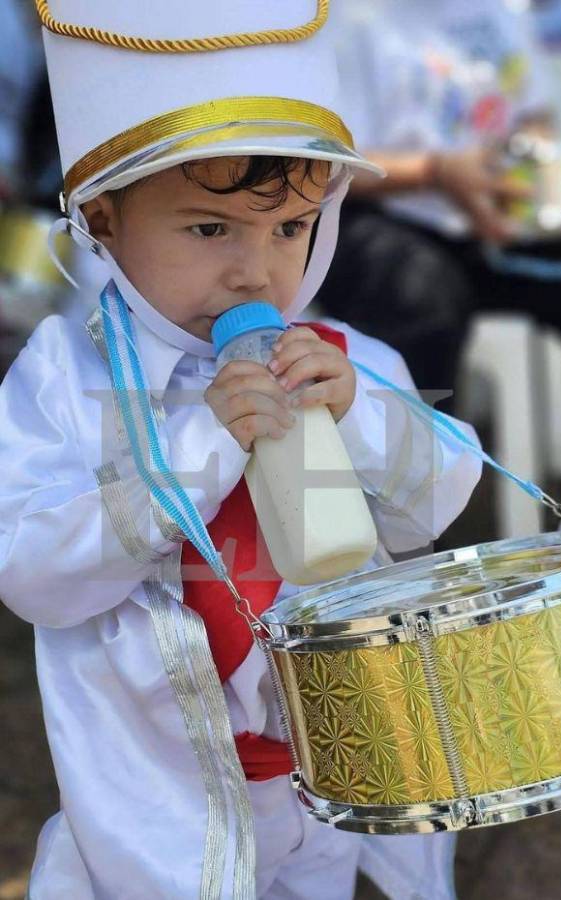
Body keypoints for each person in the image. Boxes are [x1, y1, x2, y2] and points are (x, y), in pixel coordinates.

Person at [0, 3, 481, 897]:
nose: (256, 272)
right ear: (102, 221)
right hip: (153, 804)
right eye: (210, 229)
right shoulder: (63, 376)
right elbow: (30, 570)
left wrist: (364, 419)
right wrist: (198, 446)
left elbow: (435, 501)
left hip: (328, 773)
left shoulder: (348, 360)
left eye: (291, 229)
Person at [318, 0, 561, 525]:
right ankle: (409, 523)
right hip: (378, 218)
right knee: (422, 297)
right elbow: (326, 165)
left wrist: (526, 172)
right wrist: (435, 172)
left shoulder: (502, 12)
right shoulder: (347, 20)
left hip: (487, 227)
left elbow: (534, 114)